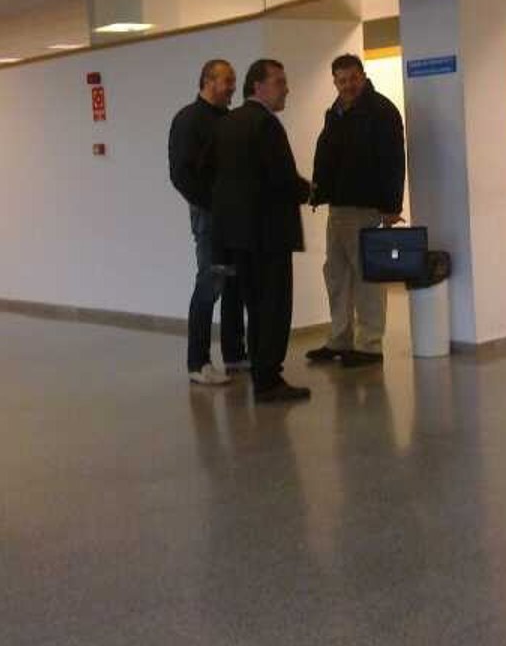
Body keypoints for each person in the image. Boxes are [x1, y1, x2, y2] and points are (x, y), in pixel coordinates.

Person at [206, 59, 312, 403]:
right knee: (274, 307)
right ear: (258, 86)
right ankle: (268, 379)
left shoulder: (227, 123)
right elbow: (282, 179)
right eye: (279, 82)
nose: (286, 89)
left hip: (238, 235)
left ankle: (261, 373)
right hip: (269, 233)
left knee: (255, 305)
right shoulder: (266, 124)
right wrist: (312, 191)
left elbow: (212, 177)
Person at [307, 54, 406, 368]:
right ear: (335, 82)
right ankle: (340, 338)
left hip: (365, 207)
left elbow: (394, 161)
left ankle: (369, 345)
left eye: (353, 78)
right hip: (337, 206)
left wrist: (391, 207)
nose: (348, 85)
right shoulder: (335, 112)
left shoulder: (381, 111)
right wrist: (318, 192)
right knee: (336, 274)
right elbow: (328, 156)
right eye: (342, 80)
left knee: (367, 276)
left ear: (363, 76)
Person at [168, 59, 247, 386]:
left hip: (232, 214)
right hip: (210, 215)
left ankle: (235, 355)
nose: (232, 87)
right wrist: (213, 206)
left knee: (234, 283)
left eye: (233, 80)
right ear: (208, 81)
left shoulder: (227, 119)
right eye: (227, 80)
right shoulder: (188, 120)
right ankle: (198, 362)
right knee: (210, 283)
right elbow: (181, 174)